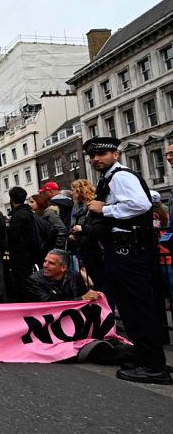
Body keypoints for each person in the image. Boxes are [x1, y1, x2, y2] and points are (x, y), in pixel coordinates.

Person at [81, 136, 170, 385]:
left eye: (102, 154)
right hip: (124, 248)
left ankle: (154, 366)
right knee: (132, 308)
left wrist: (105, 210)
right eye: (92, 156)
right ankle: (145, 358)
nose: (96, 159)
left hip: (129, 249)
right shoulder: (111, 177)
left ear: (115, 155)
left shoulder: (120, 176)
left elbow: (141, 204)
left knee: (137, 307)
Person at [26, 249, 101, 302]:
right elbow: (50, 304)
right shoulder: (34, 280)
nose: (45, 265)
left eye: (51, 263)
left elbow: (86, 295)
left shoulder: (74, 276)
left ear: (63, 268)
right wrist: (81, 299)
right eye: (45, 261)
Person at [5, 187, 39, 303]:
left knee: (22, 284)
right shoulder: (29, 214)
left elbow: (15, 238)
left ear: (11, 199)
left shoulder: (18, 216)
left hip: (20, 256)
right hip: (29, 254)